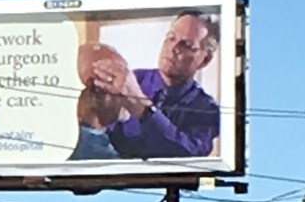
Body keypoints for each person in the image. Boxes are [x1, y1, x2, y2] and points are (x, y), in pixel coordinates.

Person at [79, 12, 222, 159]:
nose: (173, 48)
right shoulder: (131, 79)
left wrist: (142, 107)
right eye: (171, 38)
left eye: (186, 45)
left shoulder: (208, 110)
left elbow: (189, 158)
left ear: (205, 60)